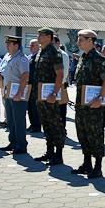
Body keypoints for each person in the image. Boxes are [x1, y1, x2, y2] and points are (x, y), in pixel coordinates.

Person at [71, 29, 105, 179]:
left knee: (95, 134)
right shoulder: (83, 58)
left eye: (81, 39)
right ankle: (87, 163)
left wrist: (100, 98)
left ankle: (98, 166)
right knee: (82, 134)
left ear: (90, 41)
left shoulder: (99, 59)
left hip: (94, 106)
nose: (78, 42)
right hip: (81, 105)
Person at [32, 28, 66, 165]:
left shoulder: (54, 53)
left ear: (49, 37)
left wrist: (54, 93)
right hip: (41, 94)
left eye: (41, 35)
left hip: (51, 95)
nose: (38, 37)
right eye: (38, 34)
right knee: (46, 123)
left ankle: (58, 154)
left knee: (55, 124)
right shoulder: (41, 51)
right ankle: (49, 152)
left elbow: (60, 74)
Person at [0, 36, 30, 155]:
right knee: (11, 120)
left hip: (17, 93)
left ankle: (21, 145)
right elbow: (1, 68)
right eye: (7, 43)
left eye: (9, 44)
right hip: (8, 91)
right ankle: (13, 142)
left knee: (19, 120)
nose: (7, 46)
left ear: (16, 45)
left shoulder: (21, 59)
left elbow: (25, 75)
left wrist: (20, 92)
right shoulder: (7, 56)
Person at [54, 35, 70, 133]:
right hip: (54, 85)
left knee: (61, 110)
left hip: (60, 85)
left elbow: (63, 73)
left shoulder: (62, 54)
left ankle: (62, 128)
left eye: (53, 43)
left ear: (58, 43)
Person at [27, 39, 42, 133]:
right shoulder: (30, 57)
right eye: (30, 45)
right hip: (29, 85)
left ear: (38, 46)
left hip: (36, 85)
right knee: (29, 106)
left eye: (33, 45)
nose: (31, 47)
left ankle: (37, 126)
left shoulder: (39, 57)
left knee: (35, 107)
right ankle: (32, 124)